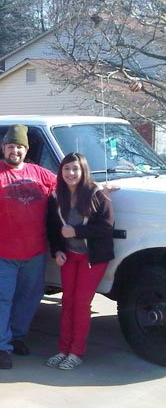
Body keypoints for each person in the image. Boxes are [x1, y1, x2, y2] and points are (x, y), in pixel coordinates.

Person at [0, 124, 57, 369]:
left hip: (33, 253)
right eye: (10, 146)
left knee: (28, 298)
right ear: (3, 148)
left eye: (19, 147)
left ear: (26, 149)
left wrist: (99, 189)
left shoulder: (41, 174)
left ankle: (16, 337)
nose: (15, 151)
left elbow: (69, 188)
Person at [46, 153, 115, 370]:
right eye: (66, 169)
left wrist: (76, 230)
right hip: (69, 257)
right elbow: (53, 229)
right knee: (67, 302)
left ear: (83, 170)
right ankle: (63, 349)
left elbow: (106, 226)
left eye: (75, 169)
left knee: (81, 304)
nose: (71, 173)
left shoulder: (97, 194)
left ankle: (76, 352)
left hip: (92, 259)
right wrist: (57, 251)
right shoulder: (57, 196)